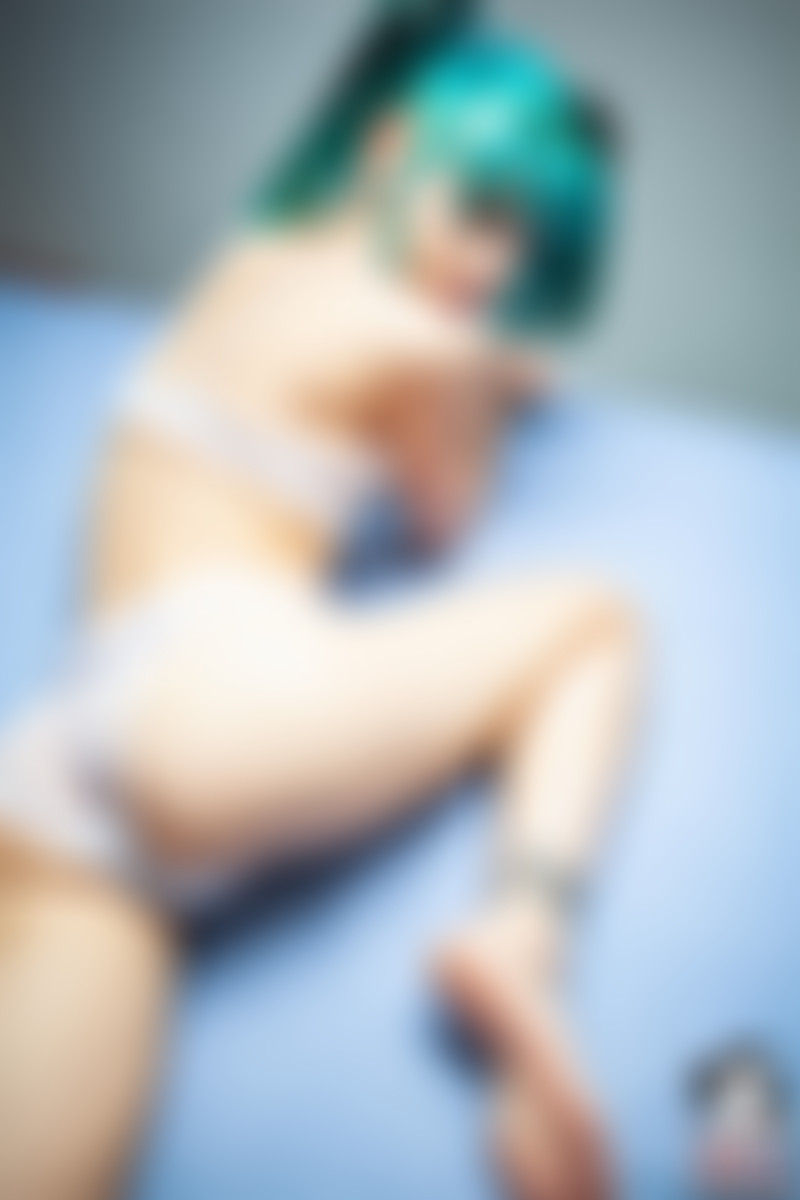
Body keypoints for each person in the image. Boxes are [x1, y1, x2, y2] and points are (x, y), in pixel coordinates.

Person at [0, 5, 641, 1198]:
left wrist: (465, 354)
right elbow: (446, 519)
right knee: (595, 618)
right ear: (392, 146)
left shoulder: (247, 253)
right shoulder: (427, 346)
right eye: (483, 212)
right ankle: (522, 934)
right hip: (211, 705)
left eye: (525, 244)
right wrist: (484, 377)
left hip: (54, 771)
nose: (494, 269)